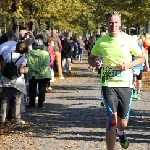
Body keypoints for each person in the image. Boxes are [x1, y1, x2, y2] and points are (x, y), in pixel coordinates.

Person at [88, 11, 145, 150]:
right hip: (108, 83)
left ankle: (121, 132)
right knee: (111, 119)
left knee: (123, 123)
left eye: (116, 22)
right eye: (111, 22)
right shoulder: (101, 41)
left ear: (120, 24)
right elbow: (91, 58)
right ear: (106, 23)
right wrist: (95, 63)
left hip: (125, 84)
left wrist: (128, 65)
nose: (113, 25)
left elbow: (141, 57)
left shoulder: (128, 39)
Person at [0, 41, 28, 124]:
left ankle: (2, 118)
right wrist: (26, 70)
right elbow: (21, 70)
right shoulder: (23, 58)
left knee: (5, 99)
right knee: (17, 100)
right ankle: (17, 119)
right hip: (17, 81)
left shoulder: (9, 55)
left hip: (6, 79)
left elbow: (2, 67)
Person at [27, 38, 51, 108]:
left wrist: (35, 70)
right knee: (42, 89)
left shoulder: (30, 53)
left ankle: (32, 103)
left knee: (32, 89)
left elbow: (29, 63)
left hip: (33, 73)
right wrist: (40, 70)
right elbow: (46, 63)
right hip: (44, 73)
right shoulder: (46, 53)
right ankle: (40, 104)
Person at [132, 36, 145, 100]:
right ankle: (134, 91)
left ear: (137, 40)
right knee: (134, 80)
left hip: (139, 66)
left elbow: (144, 55)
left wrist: (145, 64)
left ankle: (138, 93)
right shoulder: (130, 47)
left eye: (135, 40)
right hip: (133, 66)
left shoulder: (140, 46)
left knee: (139, 81)